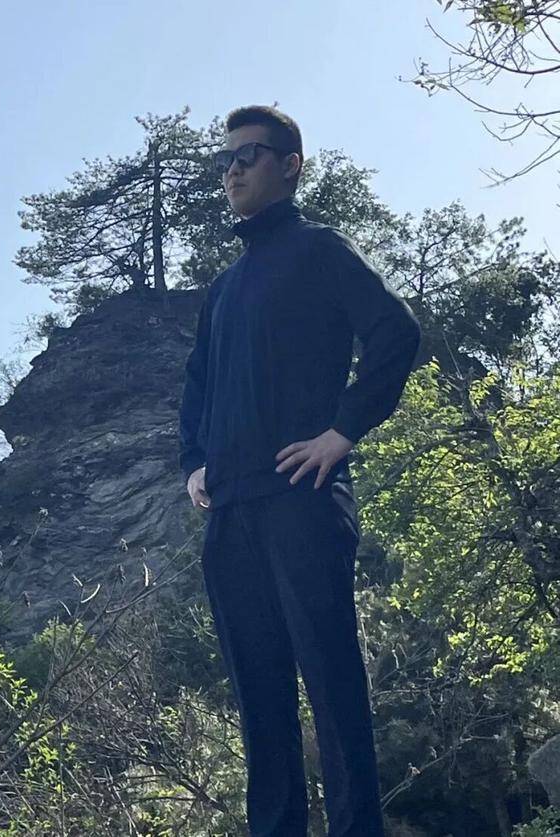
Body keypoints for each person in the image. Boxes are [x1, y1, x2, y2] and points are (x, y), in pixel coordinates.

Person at [178, 104, 421, 837]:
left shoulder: (319, 249)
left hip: (303, 501)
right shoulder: (223, 289)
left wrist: (341, 432)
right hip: (230, 517)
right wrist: (194, 463)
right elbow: (196, 386)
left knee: (332, 683)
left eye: (247, 155)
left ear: (290, 166)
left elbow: (396, 332)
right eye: (224, 160)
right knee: (260, 702)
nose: (232, 170)